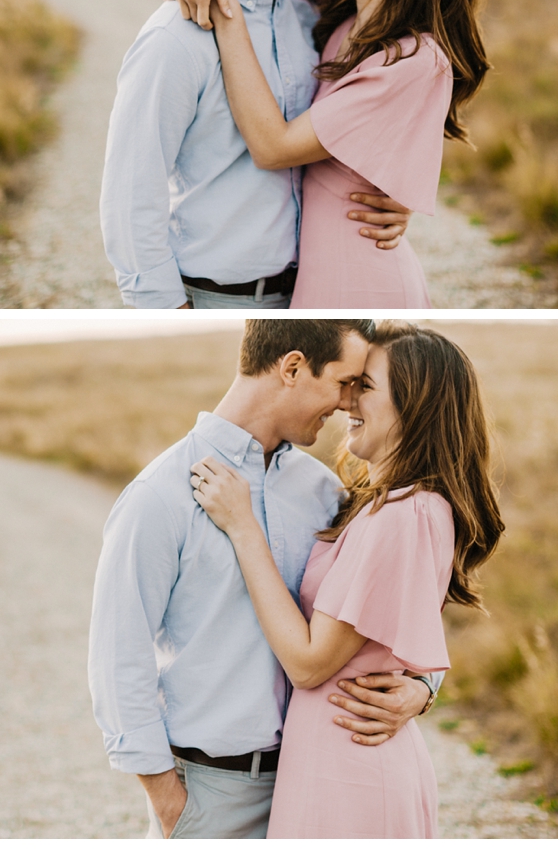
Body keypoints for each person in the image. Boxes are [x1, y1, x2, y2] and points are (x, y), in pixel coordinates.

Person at [87, 320, 442, 839]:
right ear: (294, 367)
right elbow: (117, 657)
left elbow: (392, 598)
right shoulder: (159, 495)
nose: (348, 404)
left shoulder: (322, 490)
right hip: (213, 794)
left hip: (321, 780)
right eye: (344, 382)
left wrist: (422, 686)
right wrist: (169, 800)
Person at [189, 322, 505, 837]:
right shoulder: (394, 506)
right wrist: (423, 687)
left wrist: (243, 527)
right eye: (348, 383)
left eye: (365, 386)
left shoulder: (404, 515)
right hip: (338, 758)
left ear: (415, 406)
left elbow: (310, 665)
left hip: (348, 771)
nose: (346, 402)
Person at [99, 0, 414, 309]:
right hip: (212, 300)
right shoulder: (175, 39)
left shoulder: (311, 13)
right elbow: (129, 197)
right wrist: (169, 312)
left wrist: (396, 197)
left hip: (308, 297)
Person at [170, 0, 489, 308]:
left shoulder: (415, 61)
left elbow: (273, 147)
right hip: (319, 273)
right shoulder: (345, 4)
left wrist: (226, 12)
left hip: (360, 281)